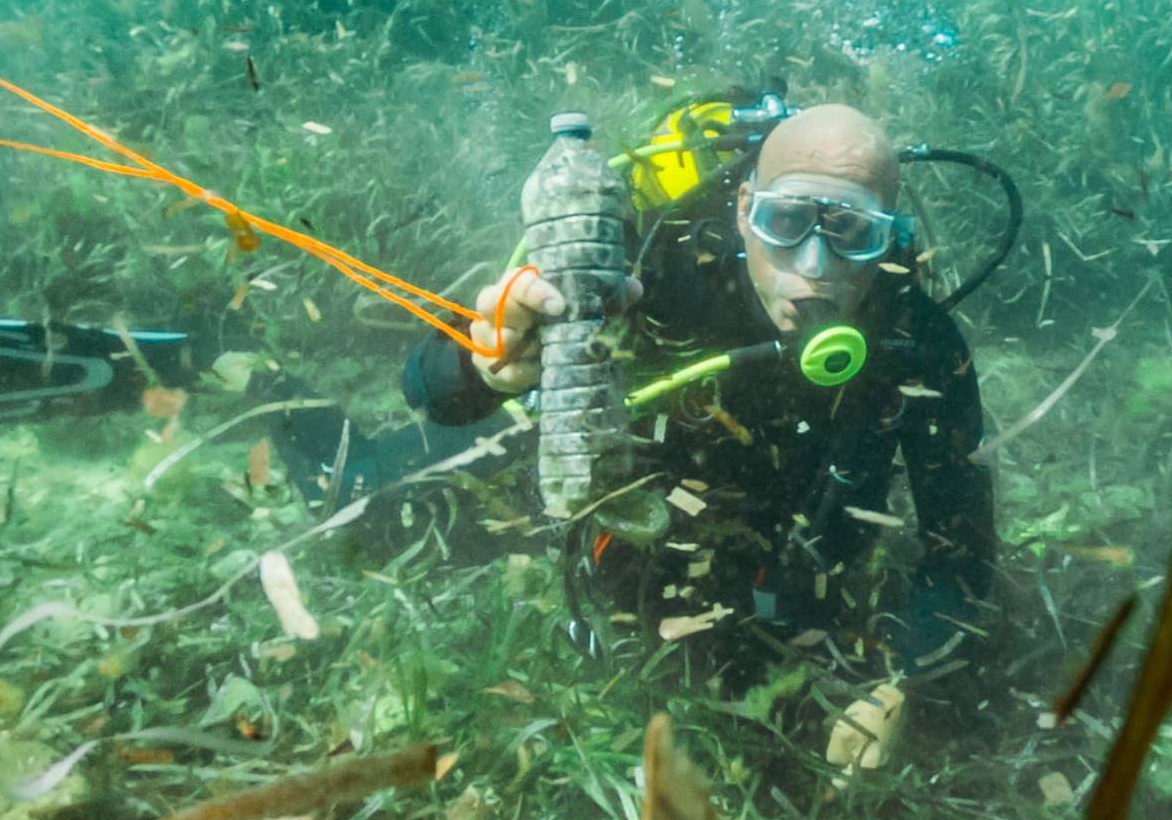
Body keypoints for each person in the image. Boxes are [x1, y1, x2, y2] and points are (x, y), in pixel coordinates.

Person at [402, 103, 999, 697]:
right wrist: (489, 368)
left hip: (806, 601)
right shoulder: (656, 270)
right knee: (388, 488)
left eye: (852, 231)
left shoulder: (918, 343)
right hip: (637, 574)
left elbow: (962, 544)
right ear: (743, 211)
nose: (815, 265)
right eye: (785, 221)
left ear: (890, 237)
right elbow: (423, 389)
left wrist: (905, 687)